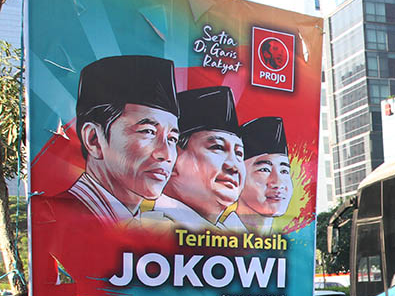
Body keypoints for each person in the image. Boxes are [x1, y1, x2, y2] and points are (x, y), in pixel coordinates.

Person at [57, 55, 181, 223]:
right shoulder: (57, 218)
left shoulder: (154, 229)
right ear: (93, 139)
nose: (166, 154)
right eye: (148, 131)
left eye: (172, 139)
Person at [151, 86, 246, 231]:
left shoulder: (230, 235)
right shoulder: (152, 230)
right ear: (174, 157)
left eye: (239, 154)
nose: (234, 166)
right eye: (218, 147)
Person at [236, 117, 292, 234]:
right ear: (237, 175)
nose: (279, 184)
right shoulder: (213, 235)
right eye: (264, 169)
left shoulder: (284, 245)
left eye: (284, 171)